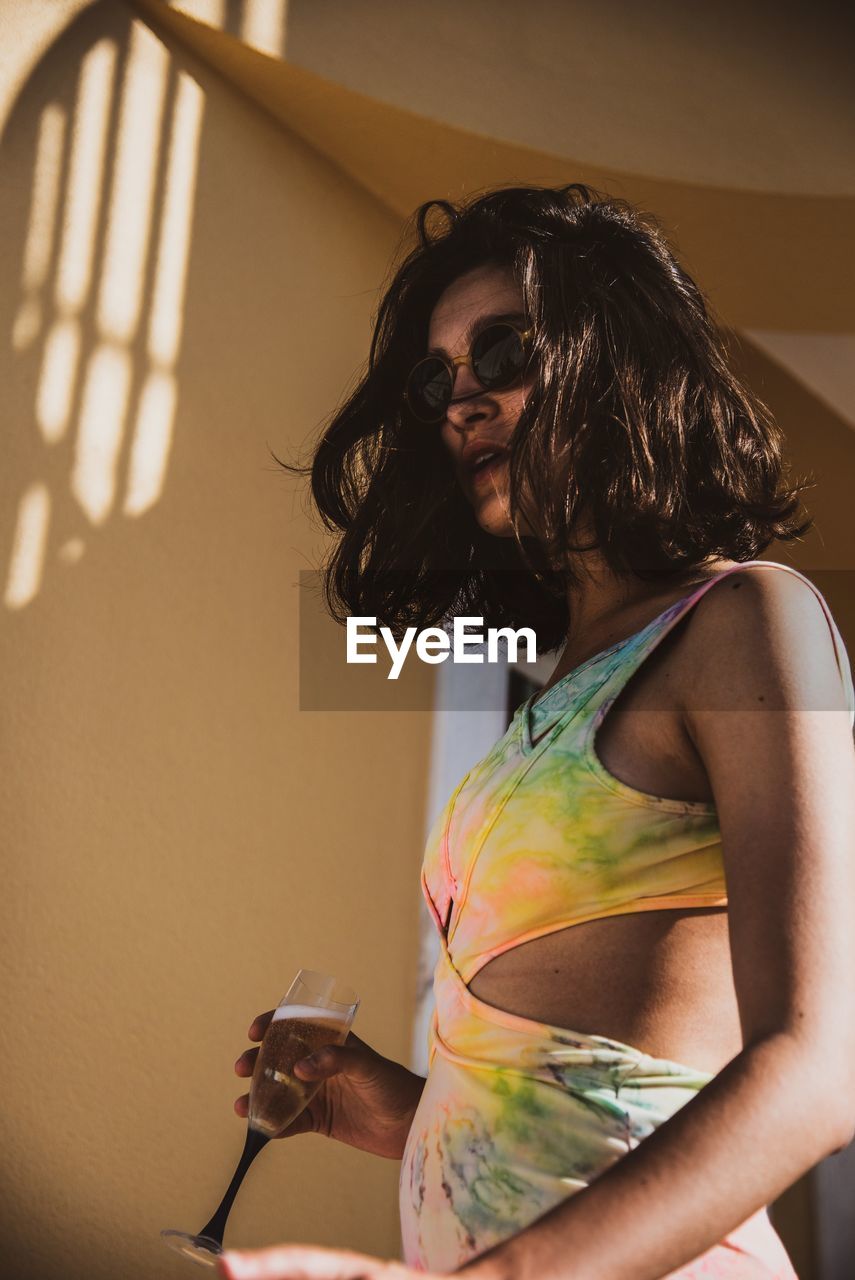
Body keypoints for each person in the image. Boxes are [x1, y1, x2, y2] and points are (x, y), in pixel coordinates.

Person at [219, 185, 855, 1280]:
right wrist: (406, 1111)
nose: (461, 399)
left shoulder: (746, 618)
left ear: (615, 355)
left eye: (501, 350)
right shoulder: (558, 680)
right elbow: (576, 1082)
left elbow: (820, 1068)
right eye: (438, 378)